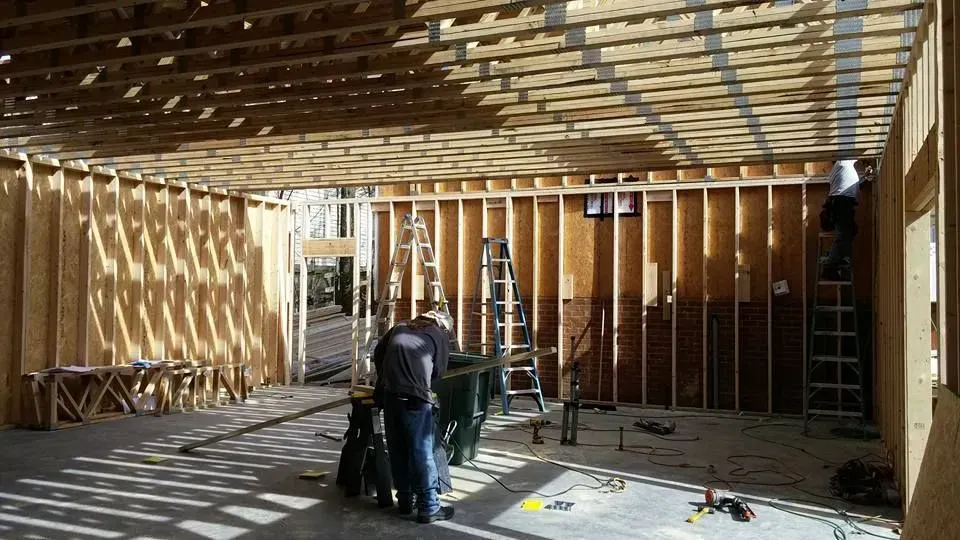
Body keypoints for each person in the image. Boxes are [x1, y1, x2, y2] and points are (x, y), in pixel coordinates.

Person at [373, 310, 455, 523]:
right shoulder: (438, 334)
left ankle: (405, 502)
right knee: (422, 451)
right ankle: (429, 507)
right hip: (416, 399)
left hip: (390, 395)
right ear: (442, 326)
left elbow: (379, 352)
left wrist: (388, 374)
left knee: (397, 449)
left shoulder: (400, 326)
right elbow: (439, 371)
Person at [820, 159, 872, 281]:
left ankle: (836, 256)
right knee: (843, 235)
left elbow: (853, 185)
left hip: (843, 202)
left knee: (851, 231)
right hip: (841, 202)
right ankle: (830, 267)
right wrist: (867, 159)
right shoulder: (842, 163)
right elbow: (856, 151)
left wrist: (864, 177)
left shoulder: (845, 169)